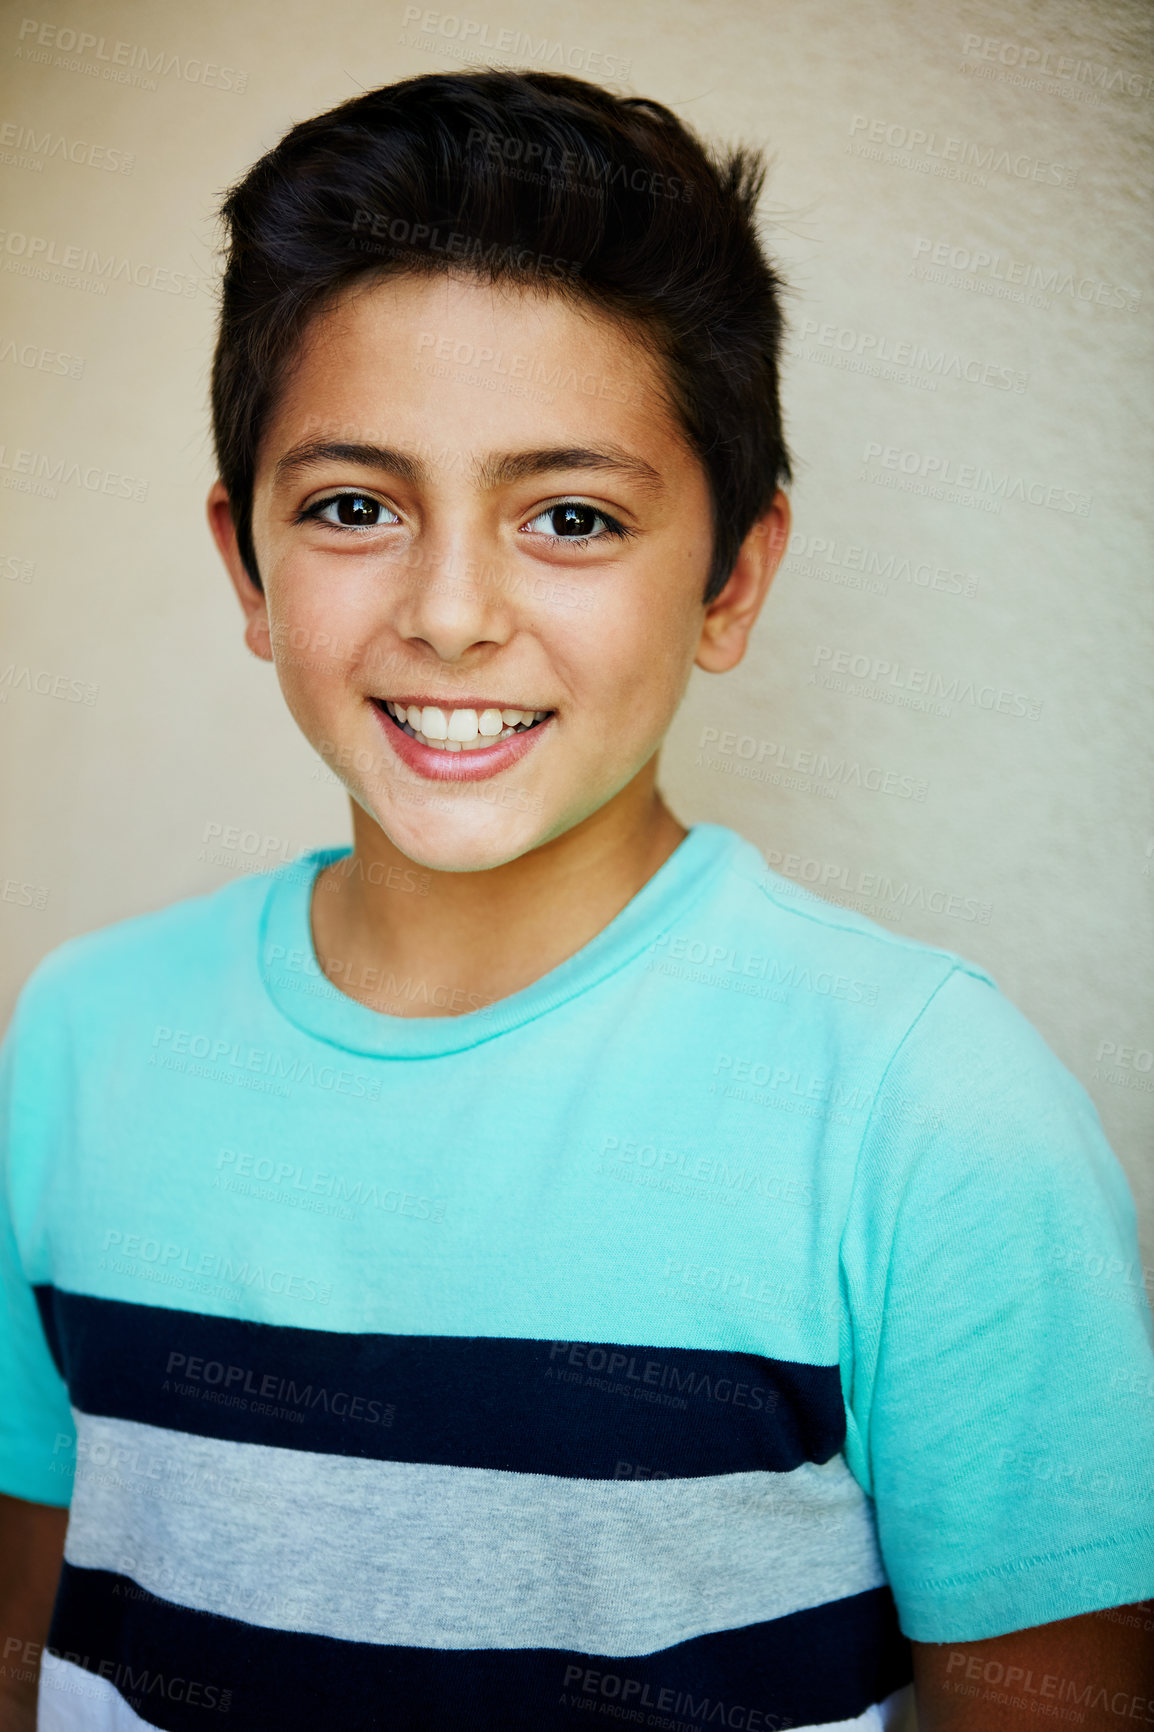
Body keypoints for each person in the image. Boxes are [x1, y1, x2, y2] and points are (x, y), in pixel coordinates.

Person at [0, 68, 1151, 1732]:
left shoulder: (924, 1109)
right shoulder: (78, 1037)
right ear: (245, 566)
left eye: (569, 517)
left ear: (730, 578)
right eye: (350, 507)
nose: (452, 611)